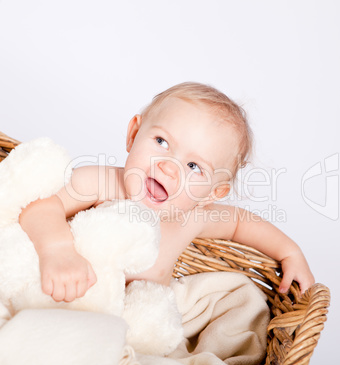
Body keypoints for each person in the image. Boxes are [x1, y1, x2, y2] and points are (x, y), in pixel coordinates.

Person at [19, 82, 315, 303]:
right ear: (134, 134)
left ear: (213, 192)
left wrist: (291, 252)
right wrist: (58, 251)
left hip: (132, 325)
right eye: (161, 142)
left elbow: (240, 223)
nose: (169, 168)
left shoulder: (193, 218)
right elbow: (40, 206)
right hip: (67, 300)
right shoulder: (102, 183)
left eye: (193, 166)